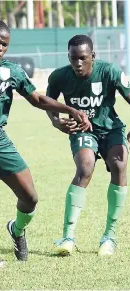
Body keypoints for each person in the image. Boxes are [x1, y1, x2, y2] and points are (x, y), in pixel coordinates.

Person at [0, 19, 92, 262]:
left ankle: (16, 230)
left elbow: (37, 99)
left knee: (30, 198)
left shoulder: (11, 70)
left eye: (4, 45)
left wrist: (68, 109)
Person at [46, 34, 130, 256]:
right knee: (85, 168)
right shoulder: (59, 77)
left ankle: (109, 236)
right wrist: (56, 121)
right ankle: (68, 237)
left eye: (83, 58)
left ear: (93, 56)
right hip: (83, 130)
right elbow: (48, 102)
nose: (78, 63)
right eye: (73, 58)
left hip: (111, 129)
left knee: (120, 166)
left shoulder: (110, 71)